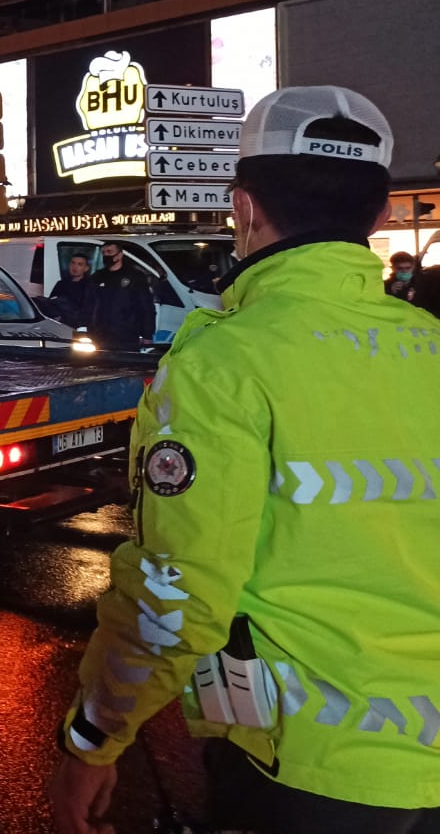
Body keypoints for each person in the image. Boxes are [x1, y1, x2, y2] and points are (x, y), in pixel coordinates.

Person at [48, 86, 440, 834]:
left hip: (308, 767)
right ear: (382, 216)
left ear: (245, 209)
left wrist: (94, 739)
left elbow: (179, 595)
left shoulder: (223, 363)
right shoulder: (431, 343)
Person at [84, 239, 155, 349]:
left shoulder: (134, 276)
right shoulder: (97, 277)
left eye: (109, 252)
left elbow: (145, 307)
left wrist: (147, 334)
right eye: (104, 253)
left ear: (119, 255)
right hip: (100, 335)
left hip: (126, 334)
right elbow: (89, 305)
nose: (106, 255)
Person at [49, 252, 94, 329]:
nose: (75, 267)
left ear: (86, 268)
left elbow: (89, 309)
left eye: (79, 264)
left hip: (80, 325)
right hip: (61, 324)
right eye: (73, 263)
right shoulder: (61, 284)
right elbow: (51, 302)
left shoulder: (89, 286)